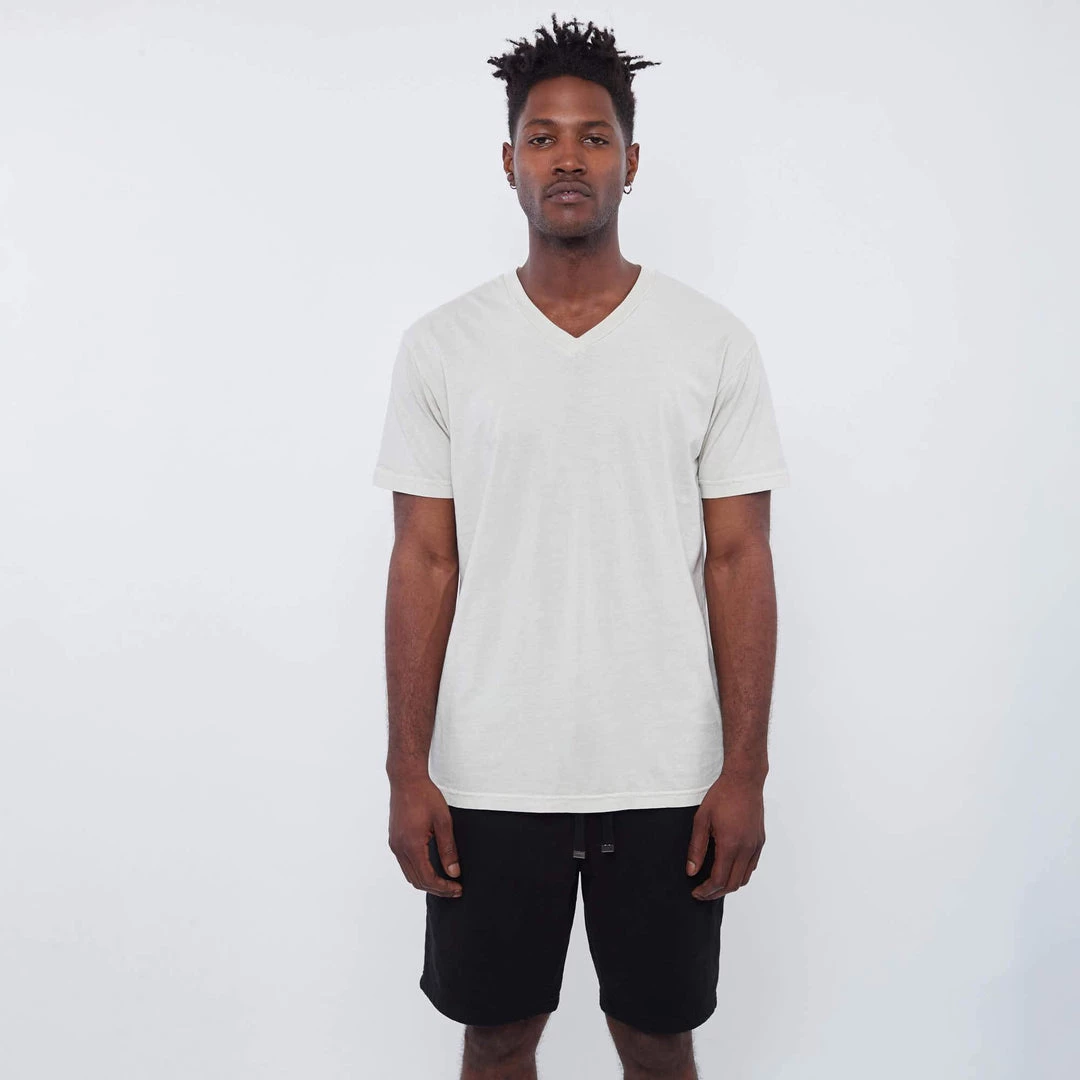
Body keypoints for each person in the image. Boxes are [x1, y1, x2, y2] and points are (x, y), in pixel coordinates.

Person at [372, 14, 791, 1080]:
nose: (569, 157)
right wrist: (407, 770)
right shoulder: (443, 347)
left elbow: (740, 559)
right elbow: (424, 561)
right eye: (544, 137)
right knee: (498, 1037)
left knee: (656, 1039)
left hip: (666, 772)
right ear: (508, 161)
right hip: (490, 772)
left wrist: (745, 770)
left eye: (595, 137)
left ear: (631, 163)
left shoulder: (711, 343)